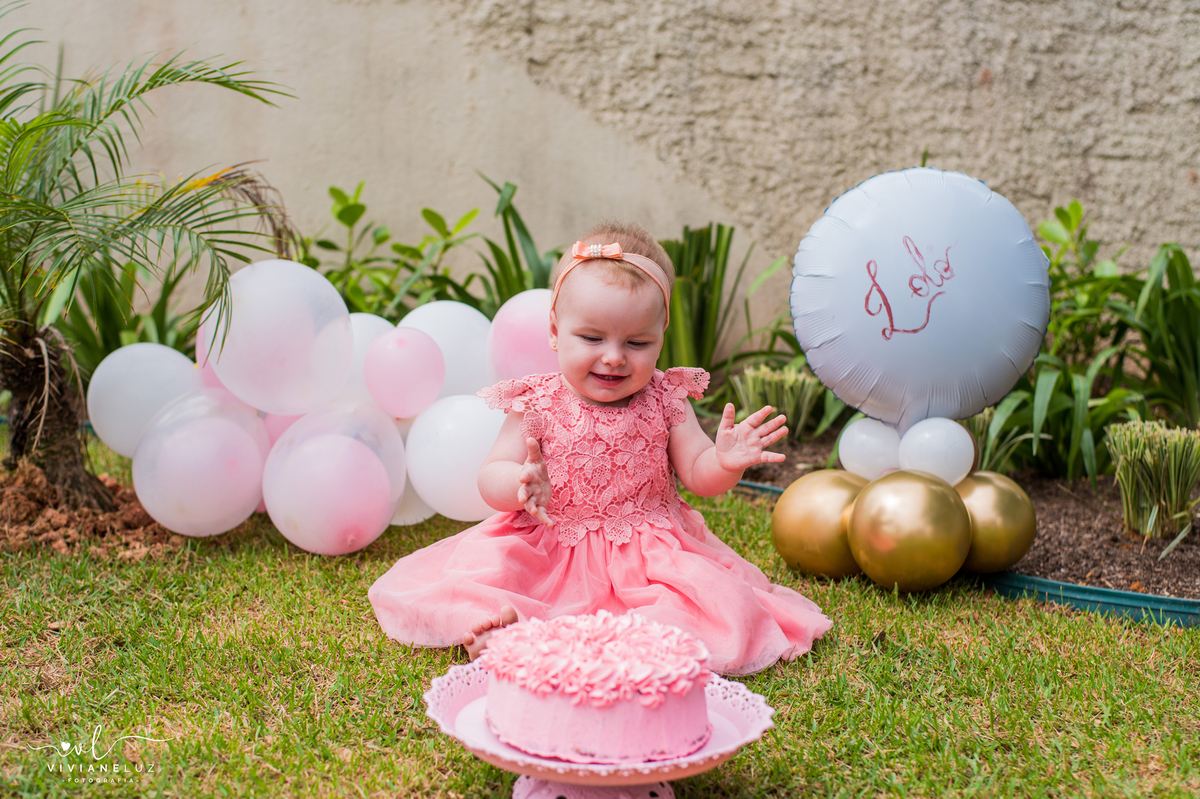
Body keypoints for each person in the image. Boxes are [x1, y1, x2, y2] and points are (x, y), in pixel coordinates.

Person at [368, 221, 832, 675]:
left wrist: (724, 461)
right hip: (547, 543)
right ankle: (509, 630)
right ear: (554, 330)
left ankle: (574, 643)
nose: (613, 356)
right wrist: (519, 482)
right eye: (591, 338)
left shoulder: (665, 399)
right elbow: (491, 477)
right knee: (489, 578)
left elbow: (698, 474)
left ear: (661, 338)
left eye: (637, 342)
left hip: (646, 552)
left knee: (685, 607)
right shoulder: (538, 401)